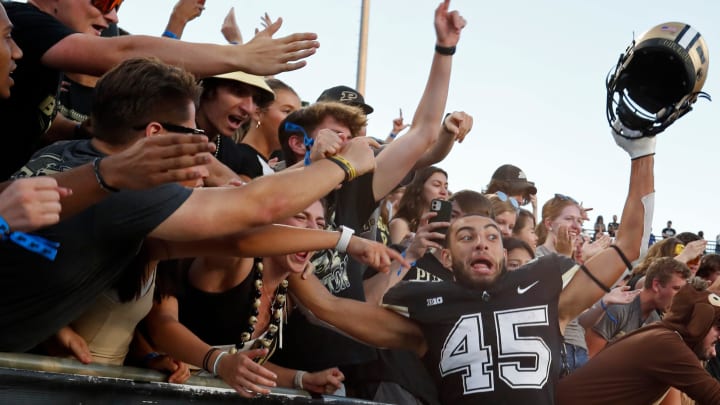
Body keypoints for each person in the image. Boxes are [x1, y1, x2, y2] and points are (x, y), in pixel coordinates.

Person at [0, 57, 388, 353]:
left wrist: (339, 241)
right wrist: (345, 163)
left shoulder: (64, 153)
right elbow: (257, 206)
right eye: (192, 133)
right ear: (154, 135)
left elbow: (235, 242)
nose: (203, 144)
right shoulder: (128, 196)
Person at [286, 113, 657, 403]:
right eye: (466, 236)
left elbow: (630, 246)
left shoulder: (548, 291)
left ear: (503, 248)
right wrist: (290, 218)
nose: (481, 243)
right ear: (445, 257)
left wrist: (642, 150)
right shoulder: (426, 313)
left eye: (492, 236)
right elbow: (326, 306)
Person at [0, 0, 319, 179]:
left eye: (118, 4)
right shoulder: (23, 20)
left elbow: (36, 119)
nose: (112, 15)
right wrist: (239, 56)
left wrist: (83, 133)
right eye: (102, 1)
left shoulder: (33, 49)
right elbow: (120, 54)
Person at [556, 279, 720, 404]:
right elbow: (714, 396)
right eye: (717, 327)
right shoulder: (667, 345)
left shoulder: (662, 334)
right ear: (700, 323)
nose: (719, 337)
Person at [584, 257, 690, 357]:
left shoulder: (655, 320)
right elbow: (589, 359)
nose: (681, 296)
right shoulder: (617, 308)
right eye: (676, 289)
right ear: (656, 285)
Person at [389, 166, 449, 244]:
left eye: (446, 187)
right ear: (419, 188)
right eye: (436, 185)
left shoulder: (444, 227)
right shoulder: (400, 224)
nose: (443, 192)